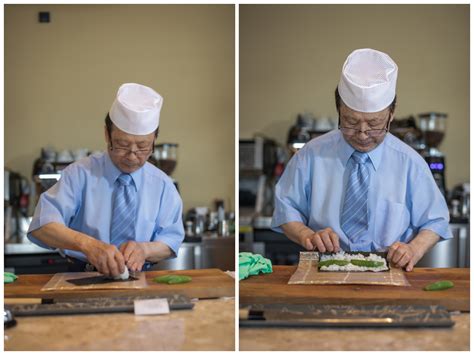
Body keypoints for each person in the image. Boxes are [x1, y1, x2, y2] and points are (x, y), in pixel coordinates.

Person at [272, 48, 452, 271]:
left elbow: (436, 220)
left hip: (390, 271)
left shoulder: (410, 163)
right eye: (350, 122)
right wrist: (307, 235)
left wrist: (413, 249)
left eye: (375, 124)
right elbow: (285, 209)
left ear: (391, 114)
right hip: (324, 271)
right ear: (338, 110)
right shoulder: (310, 155)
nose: (363, 133)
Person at [27, 83, 184, 277]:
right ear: (106, 135)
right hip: (81, 276)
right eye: (122, 144)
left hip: (141, 278)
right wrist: (88, 245)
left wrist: (145, 250)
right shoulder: (79, 174)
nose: (132, 156)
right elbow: (42, 226)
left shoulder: (162, 185)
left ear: (154, 141)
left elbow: (171, 240)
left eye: (143, 147)